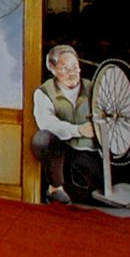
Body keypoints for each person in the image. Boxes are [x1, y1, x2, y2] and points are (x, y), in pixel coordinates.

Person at [31, 44, 101, 206]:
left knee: (94, 189)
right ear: (53, 70)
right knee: (42, 139)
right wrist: (78, 130)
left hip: (89, 150)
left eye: (75, 67)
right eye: (65, 68)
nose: (72, 73)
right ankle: (55, 188)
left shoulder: (92, 88)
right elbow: (47, 123)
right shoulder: (44, 92)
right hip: (62, 149)